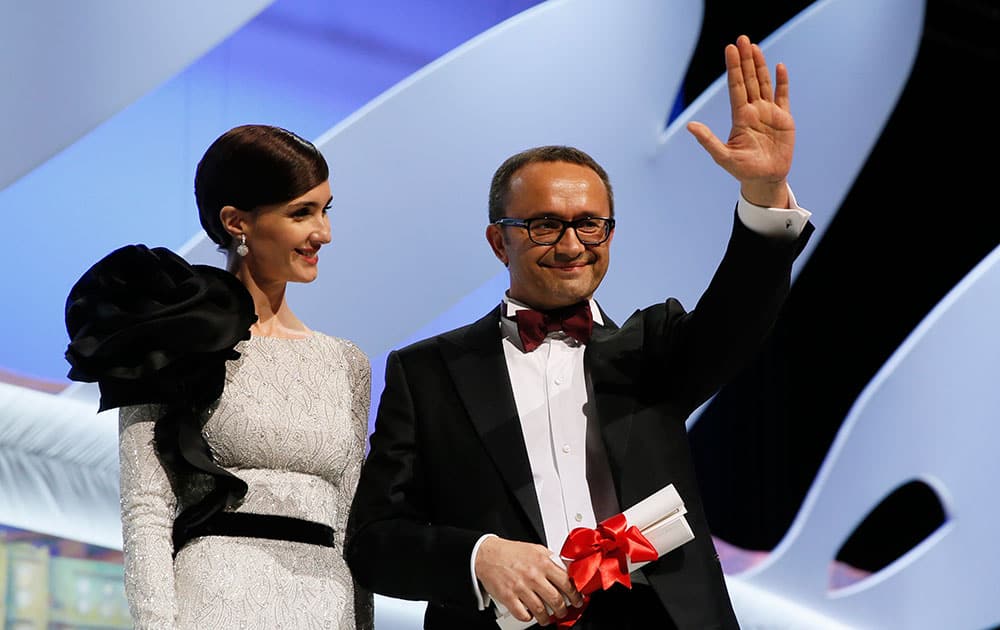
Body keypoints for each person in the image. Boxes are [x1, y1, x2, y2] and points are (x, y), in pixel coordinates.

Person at [344, 35, 813, 629]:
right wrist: (479, 556)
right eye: (545, 225)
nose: (571, 246)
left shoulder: (654, 351)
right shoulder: (428, 372)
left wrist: (764, 193)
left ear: (609, 234)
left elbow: (741, 311)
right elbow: (375, 543)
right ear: (499, 240)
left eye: (590, 225)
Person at [64, 125, 374, 629]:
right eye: (302, 213)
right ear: (236, 221)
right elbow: (147, 508)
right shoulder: (174, 338)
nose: (324, 232)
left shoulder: (346, 362)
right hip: (213, 603)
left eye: (326, 209)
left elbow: (347, 523)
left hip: (326, 608)